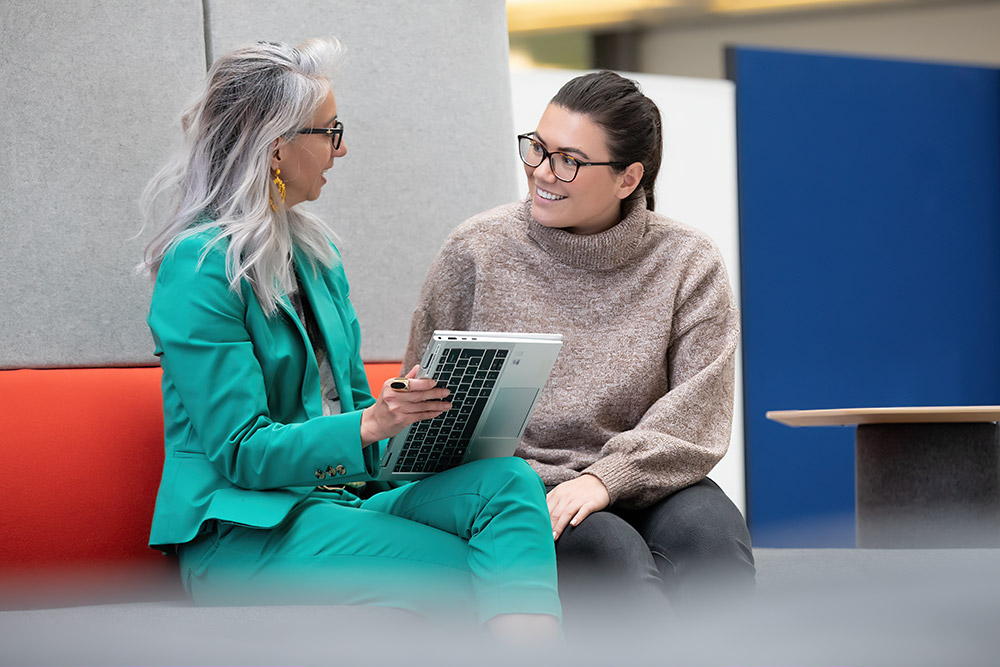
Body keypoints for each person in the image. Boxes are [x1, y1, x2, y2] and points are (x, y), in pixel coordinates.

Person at [139, 37, 559, 637]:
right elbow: (242, 451)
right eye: (330, 131)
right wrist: (372, 426)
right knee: (475, 573)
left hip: (339, 504)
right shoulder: (201, 266)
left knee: (510, 482)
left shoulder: (316, 257)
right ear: (277, 146)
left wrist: (422, 423)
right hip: (246, 533)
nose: (343, 148)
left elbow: (355, 407)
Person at [404, 71, 755, 609]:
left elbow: (698, 412)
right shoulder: (476, 251)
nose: (542, 172)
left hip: (649, 475)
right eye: (537, 149)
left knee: (715, 550)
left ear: (627, 178)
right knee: (613, 563)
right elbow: (424, 402)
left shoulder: (688, 261)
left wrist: (606, 479)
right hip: (522, 490)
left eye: (568, 160)